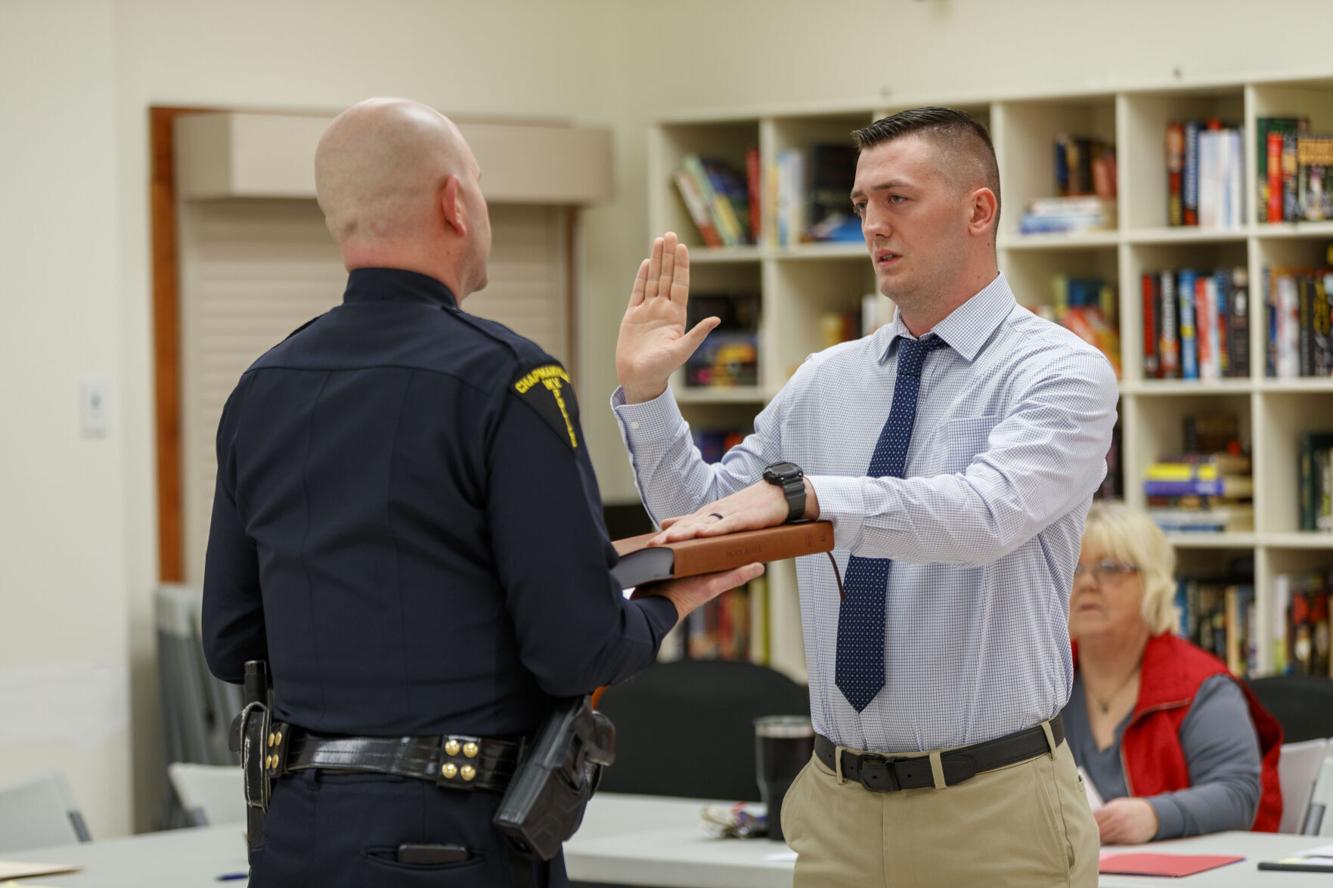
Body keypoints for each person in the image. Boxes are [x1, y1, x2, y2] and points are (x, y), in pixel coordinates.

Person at [200, 97, 761, 888]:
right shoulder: (508, 379)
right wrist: (671, 599)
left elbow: (231, 642)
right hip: (450, 839)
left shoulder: (263, 385)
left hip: (295, 834)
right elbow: (576, 650)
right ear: (454, 202)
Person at [612, 107, 1118, 887]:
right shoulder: (826, 379)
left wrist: (807, 497)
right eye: (860, 204)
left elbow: (982, 516)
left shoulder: (1058, 372)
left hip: (993, 810)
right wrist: (647, 396)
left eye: (897, 199)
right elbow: (705, 520)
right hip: (836, 808)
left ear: (978, 210)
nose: (872, 225)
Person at [1064, 501, 1283, 843]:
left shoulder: (1200, 685)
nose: (1087, 583)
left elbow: (1238, 794)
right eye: (1073, 568)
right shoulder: (1045, 685)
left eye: (1110, 568)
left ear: (1153, 583)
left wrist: (1155, 816)